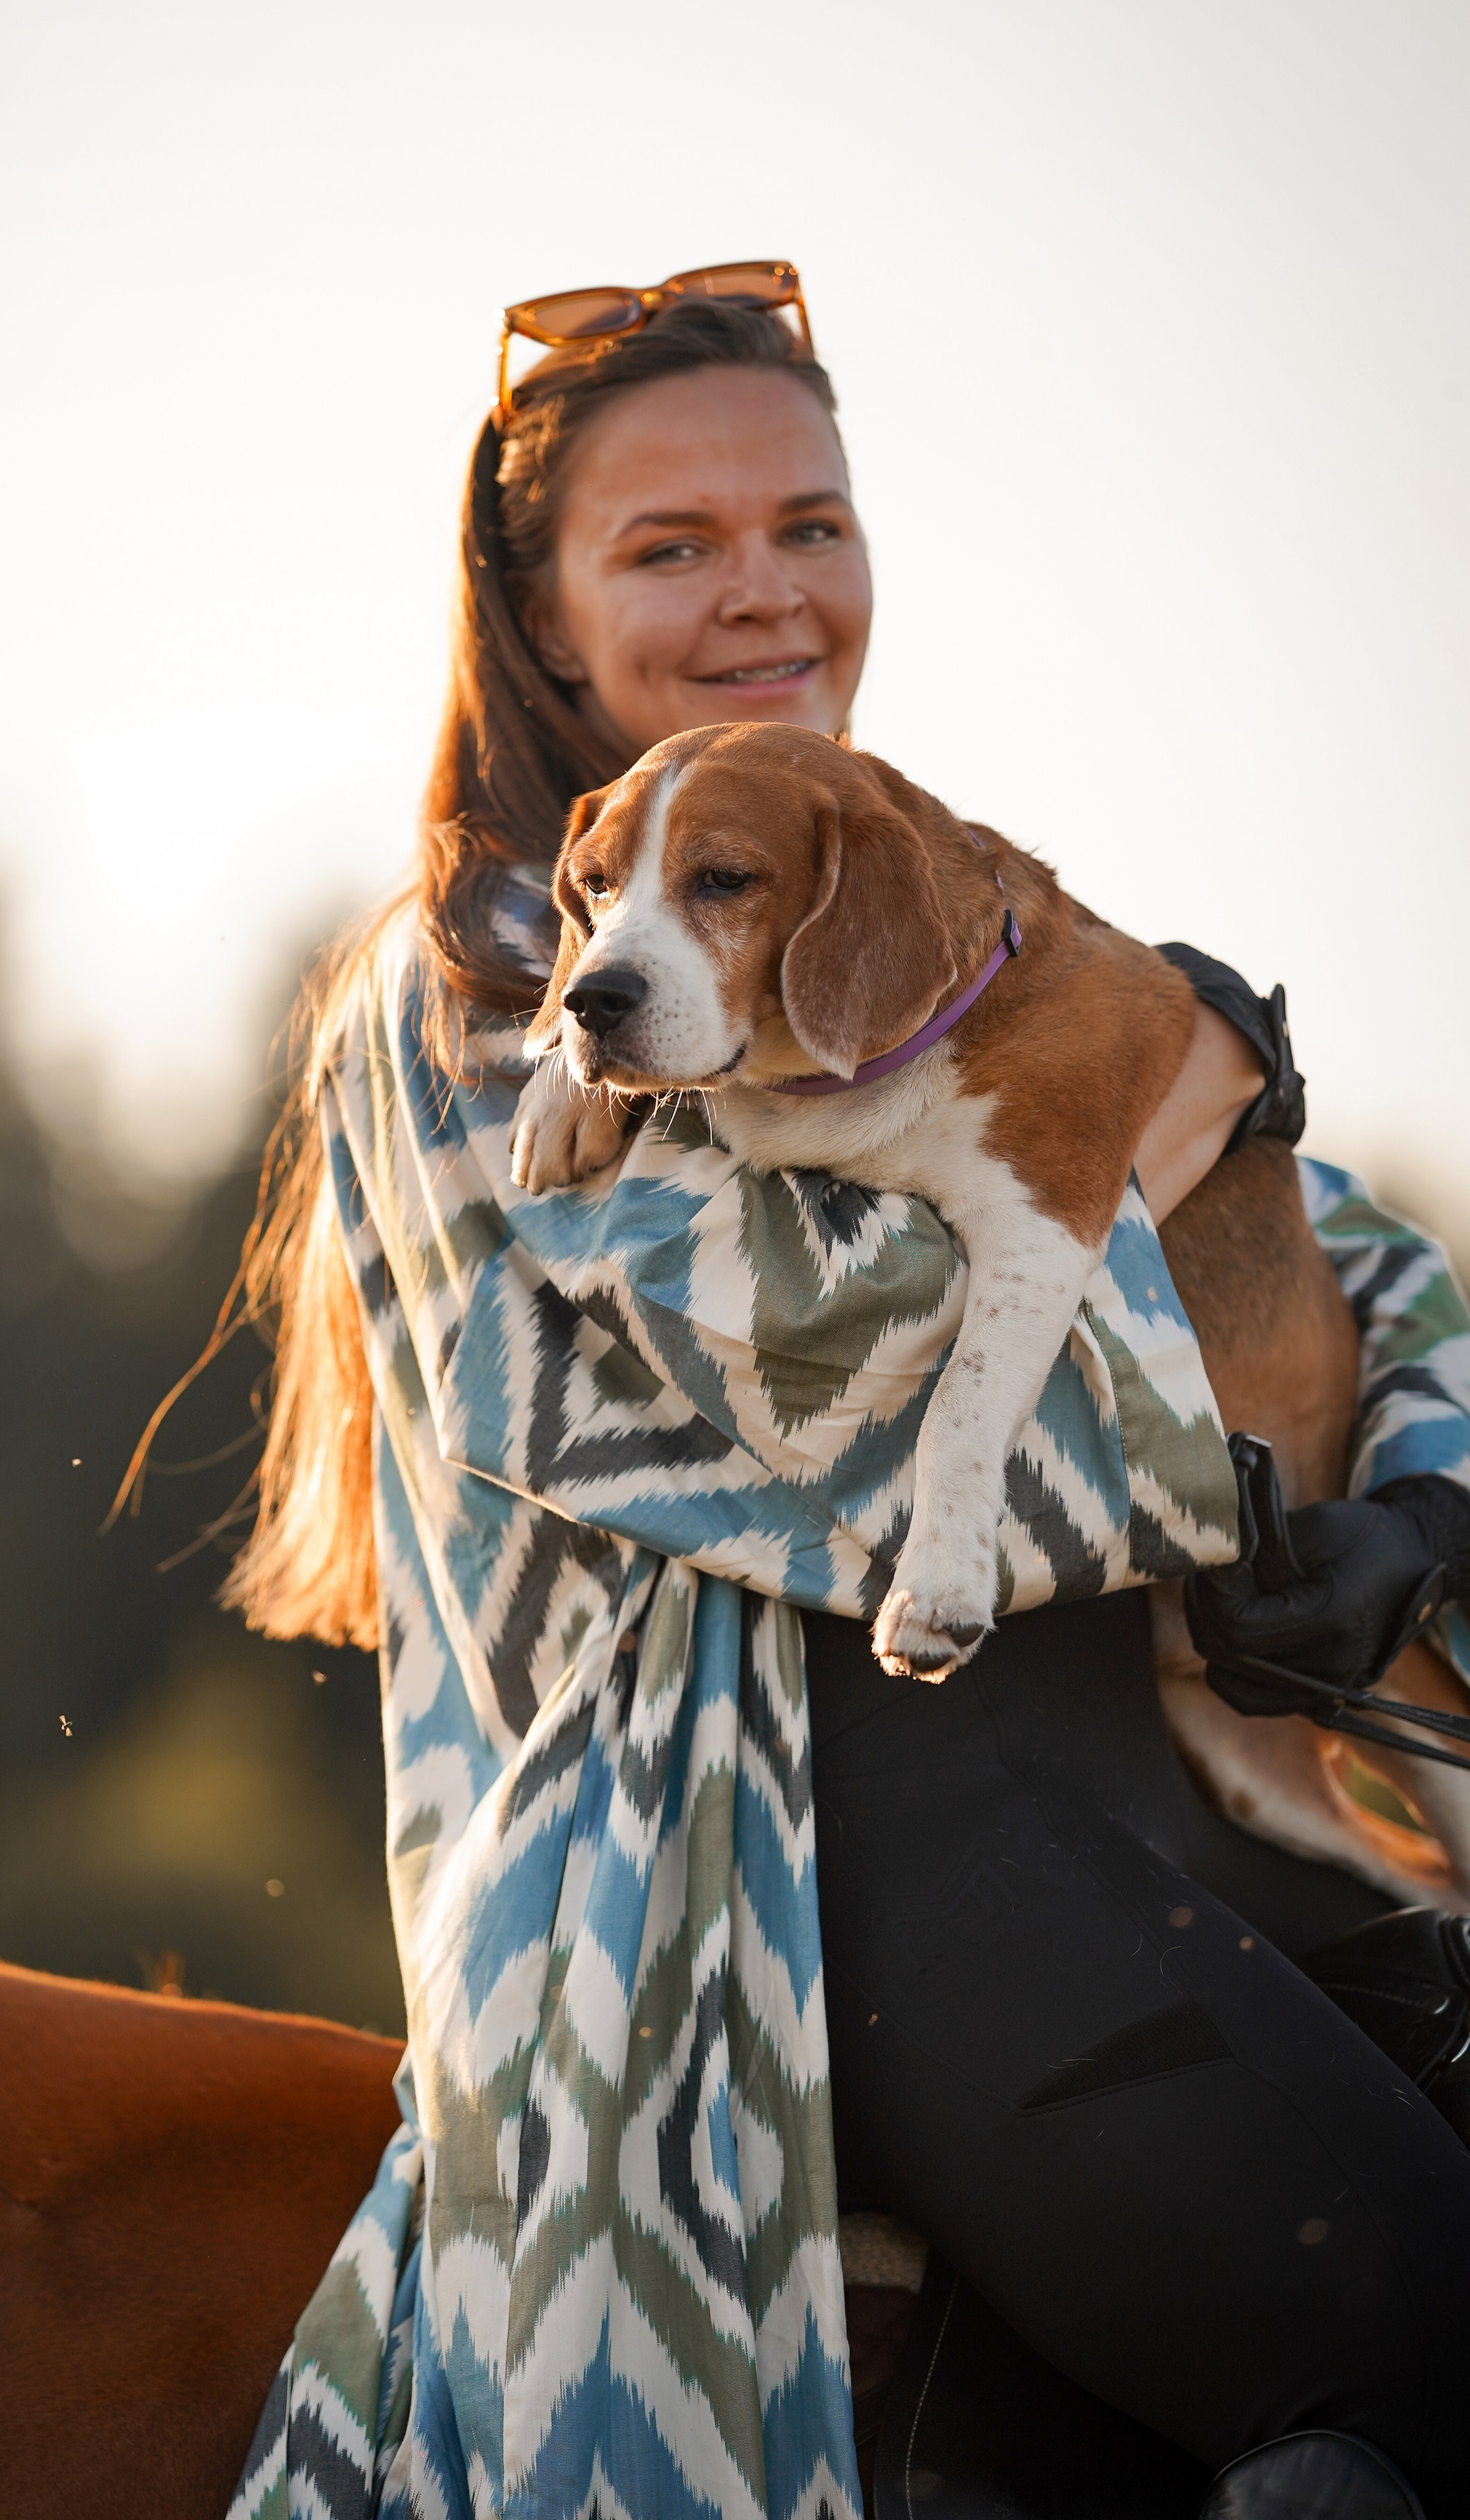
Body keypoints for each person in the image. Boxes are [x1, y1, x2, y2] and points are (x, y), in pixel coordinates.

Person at [215, 274, 1470, 2520]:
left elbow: (1370, 1266)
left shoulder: (911, 913)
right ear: (539, 607)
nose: (762, 586)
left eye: (810, 517)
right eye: (670, 544)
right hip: (776, 1885)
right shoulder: (477, 1004)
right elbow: (843, 1400)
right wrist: (1194, 1125)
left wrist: (1424, 1504)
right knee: (1427, 2366)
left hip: (1150, 1814)